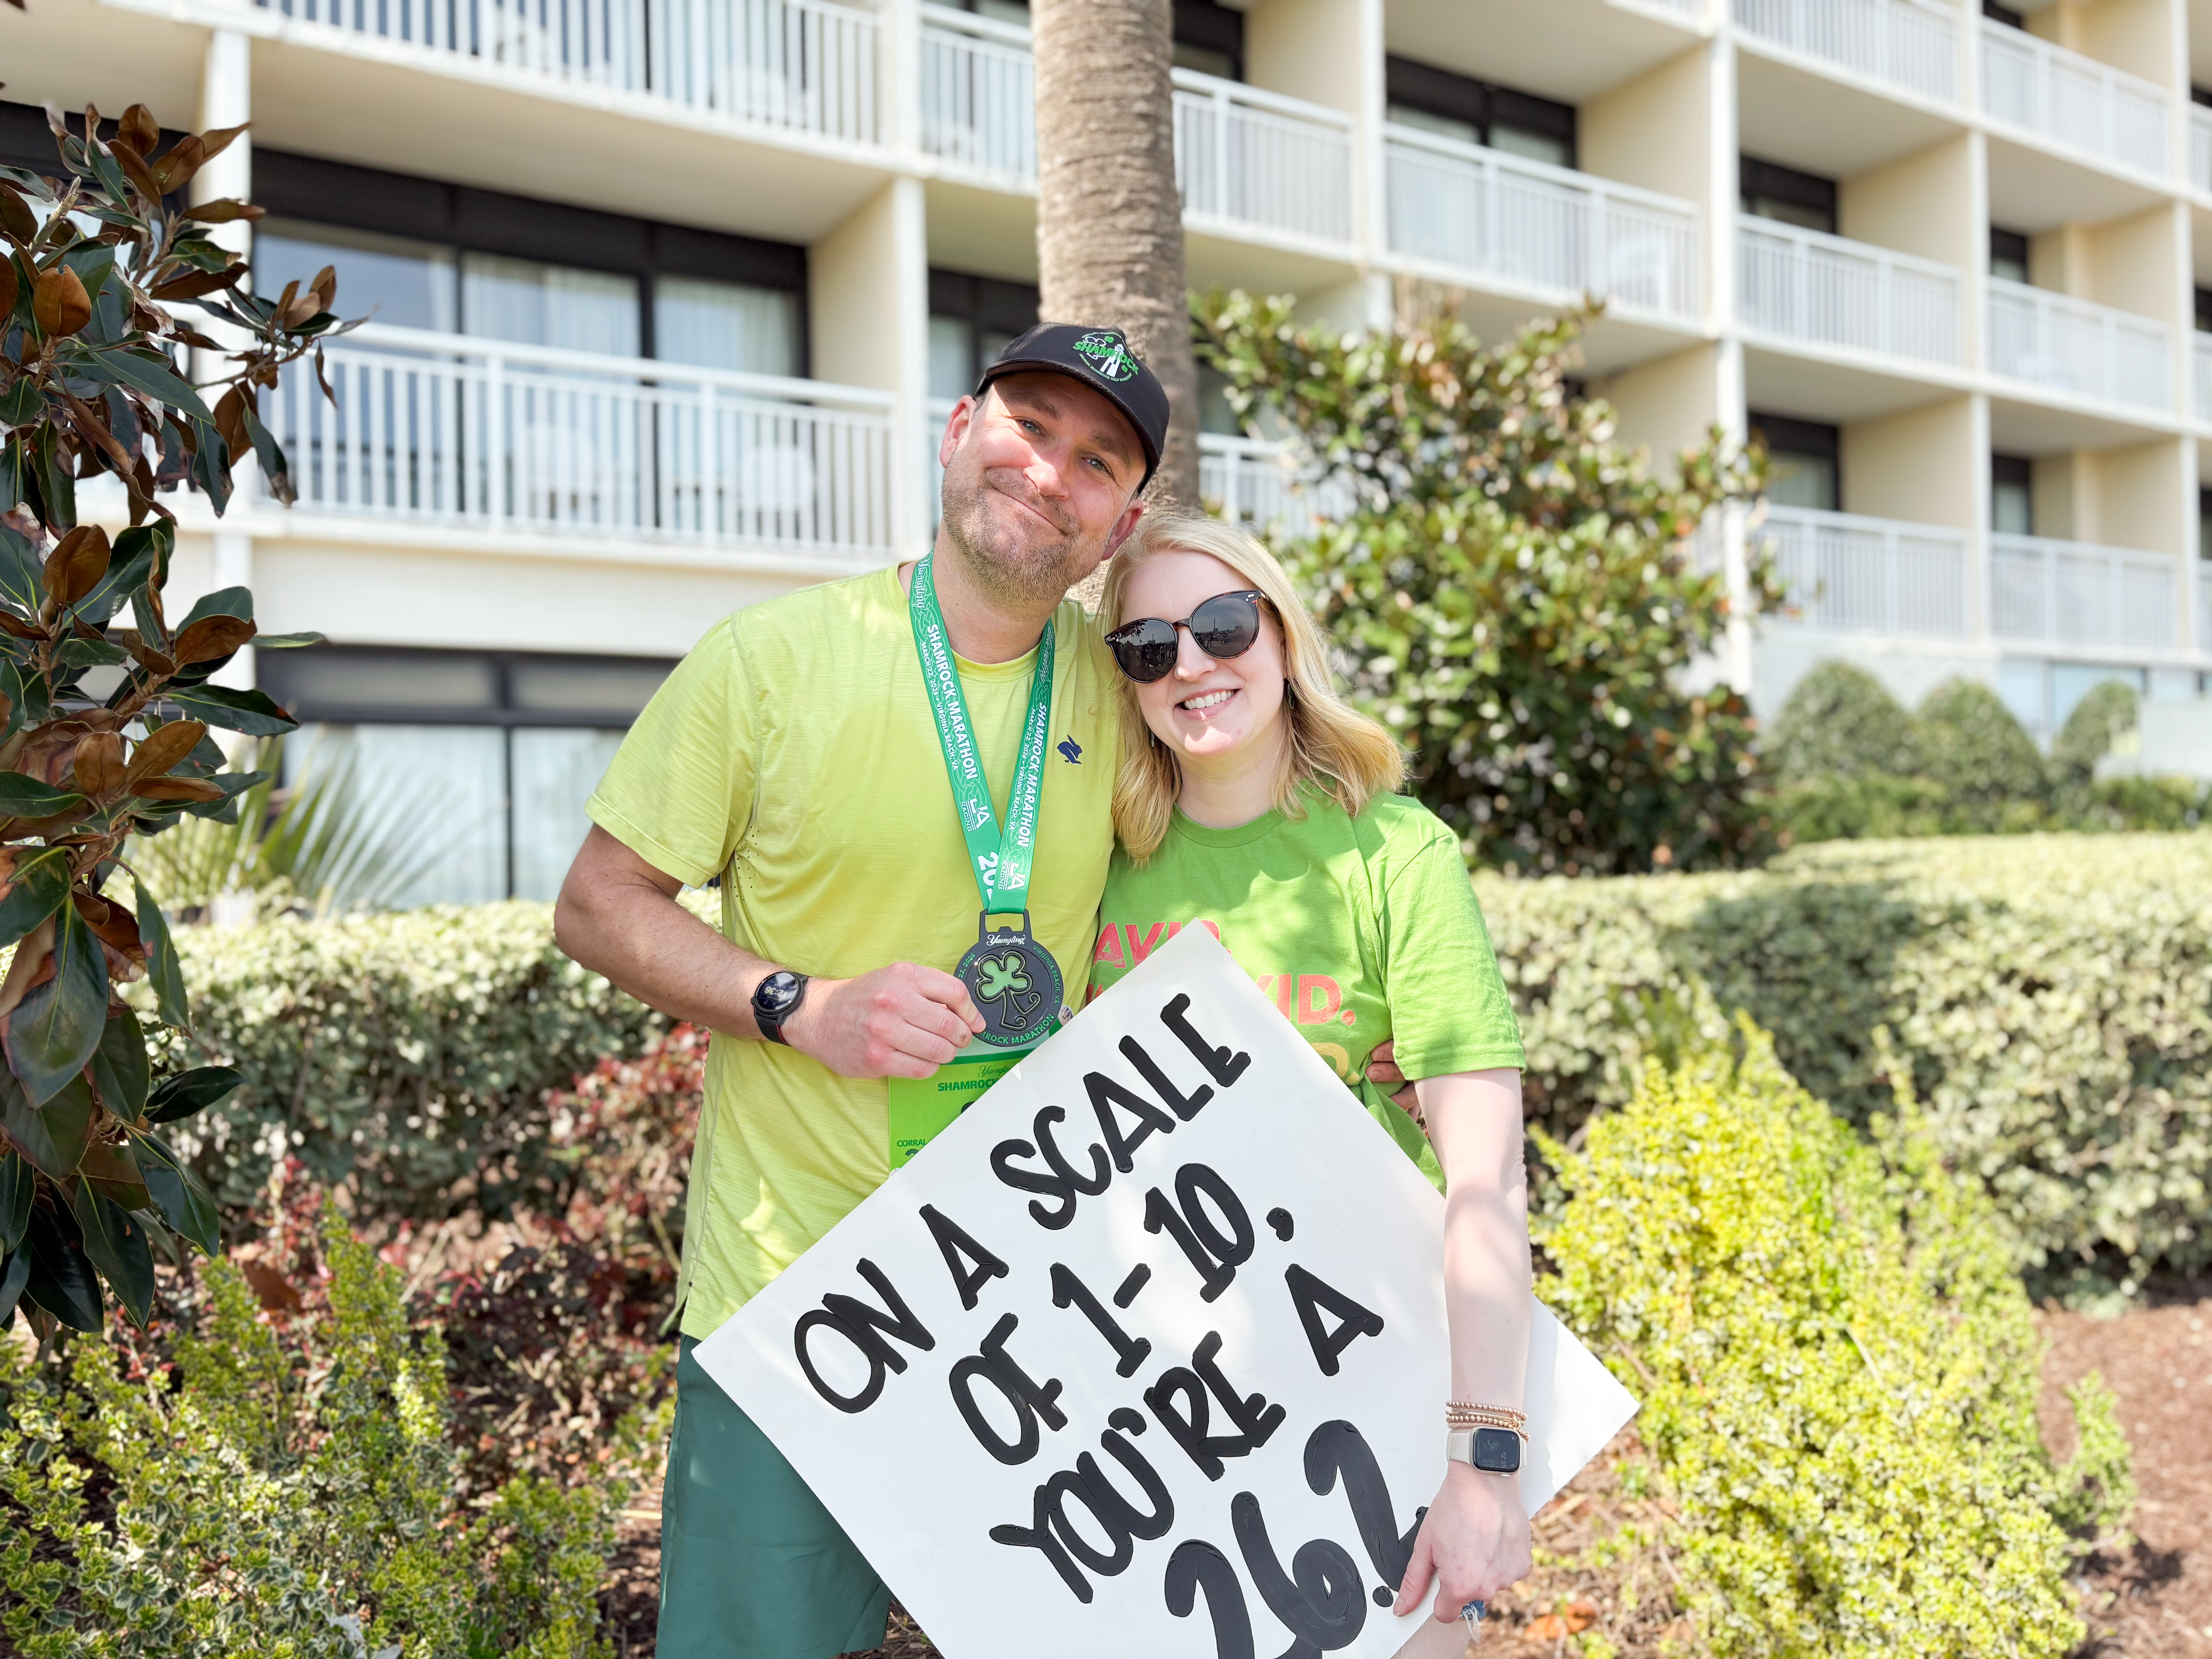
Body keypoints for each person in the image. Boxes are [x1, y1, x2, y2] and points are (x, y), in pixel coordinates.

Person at [553, 323, 1168, 1659]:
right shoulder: (771, 659)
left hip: (1042, 1295)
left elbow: (1218, 910)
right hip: (800, 1295)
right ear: (960, 429)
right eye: (1028, 427)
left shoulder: (1134, 704)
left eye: (1096, 460)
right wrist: (803, 1006)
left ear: (1121, 522)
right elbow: (598, 903)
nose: (1049, 472)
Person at [1086, 511, 1534, 1648]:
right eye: (1146, 646)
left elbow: (1488, 1181)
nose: (1189, 664)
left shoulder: (1397, 855)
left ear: (1282, 636)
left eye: (1221, 625)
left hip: (1372, 1404)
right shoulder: (1084, 867)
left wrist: (1483, 1457)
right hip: (1146, 1434)